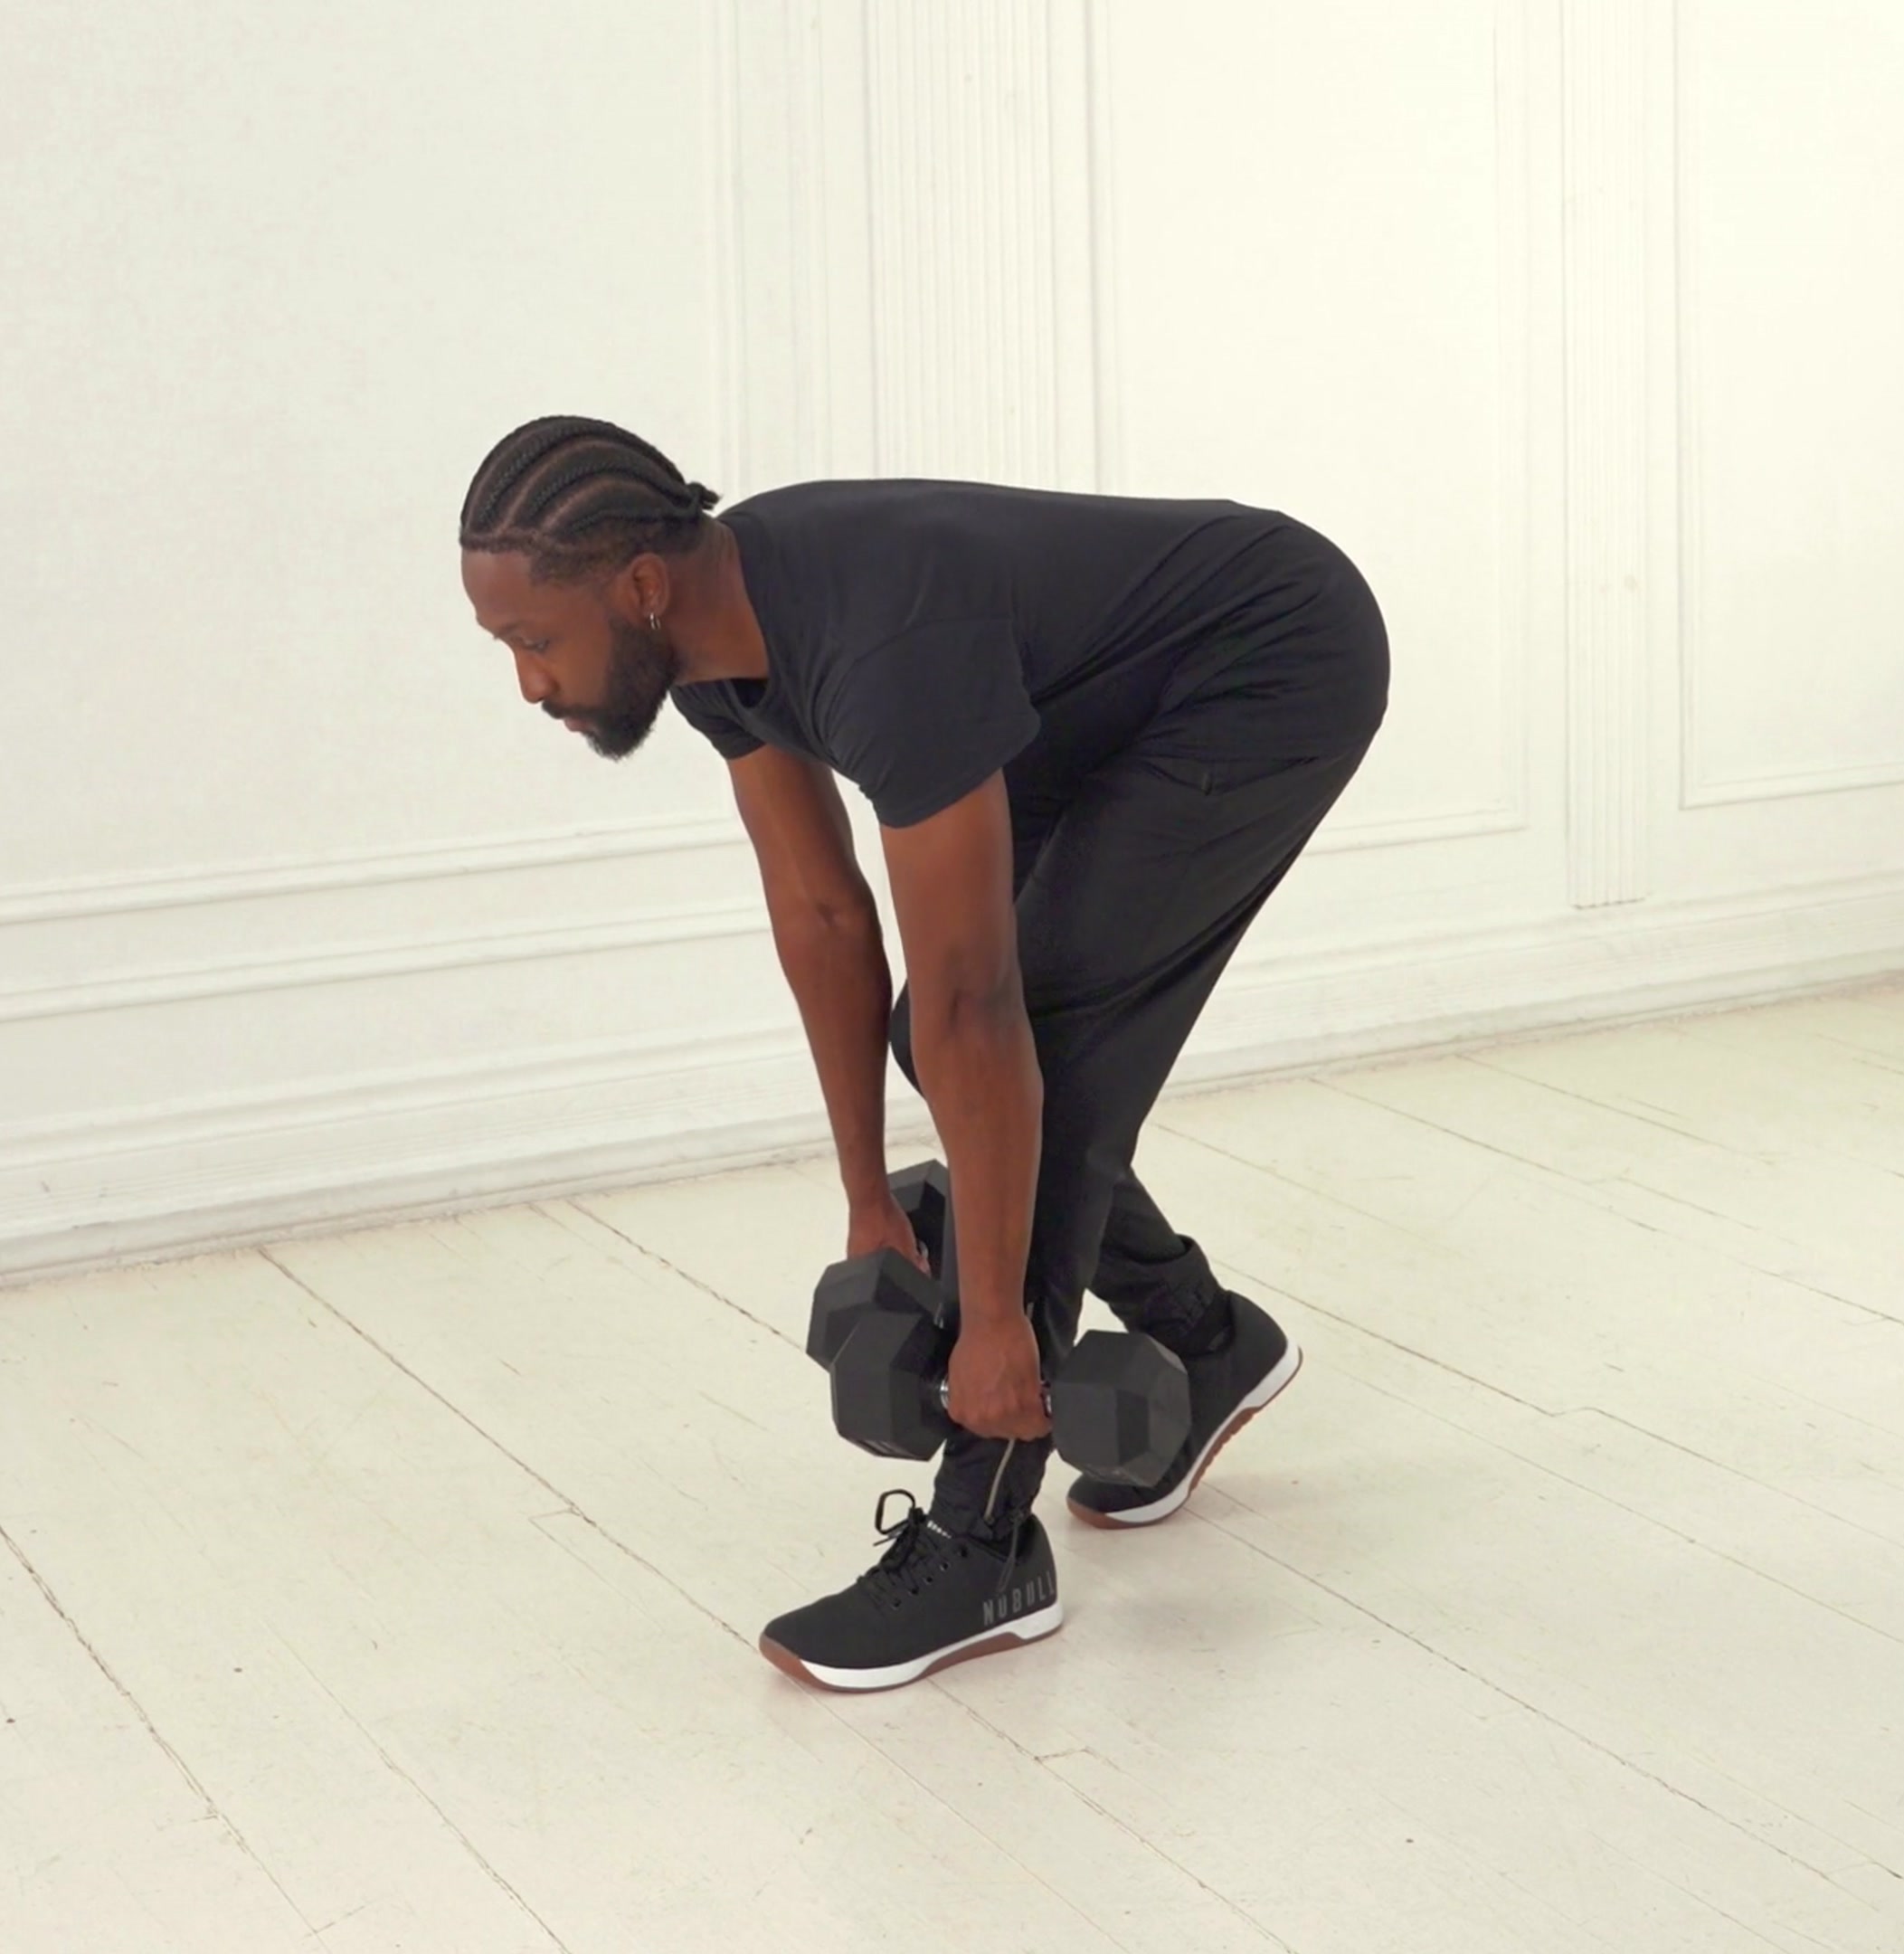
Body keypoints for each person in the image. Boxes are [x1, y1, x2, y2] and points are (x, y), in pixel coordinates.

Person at [458, 414, 1389, 1693]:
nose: (529, 685)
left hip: (1270, 658)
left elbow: (977, 1004)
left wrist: (995, 1325)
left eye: (533, 641)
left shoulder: (880, 651)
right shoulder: (716, 646)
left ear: (641, 588)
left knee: (1036, 1044)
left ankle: (984, 1543)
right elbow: (825, 918)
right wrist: (866, 1202)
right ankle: (1207, 1338)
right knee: (941, 1042)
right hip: (1095, 702)